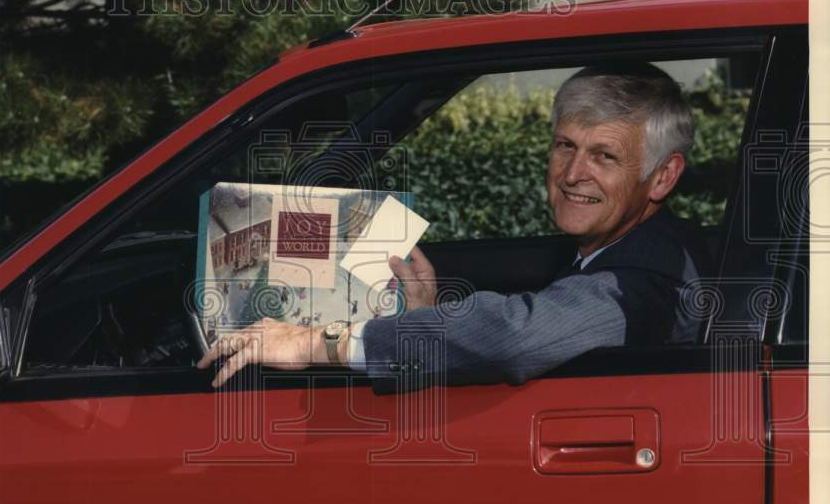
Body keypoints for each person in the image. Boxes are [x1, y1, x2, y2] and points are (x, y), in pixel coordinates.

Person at [199, 64, 713, 388]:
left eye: (605, 156)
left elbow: (518, 336)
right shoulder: (612, 249)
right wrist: (422, 317)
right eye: (565, 146)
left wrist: (314, 343)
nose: (573, 173)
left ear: (662, 176)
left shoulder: (649, 276)